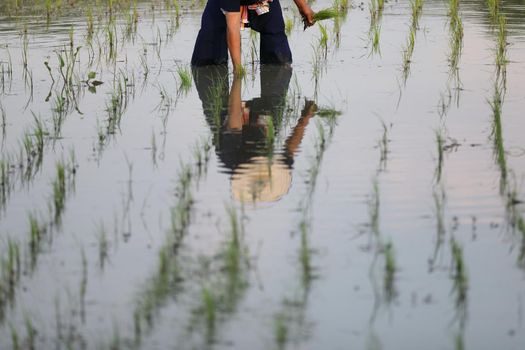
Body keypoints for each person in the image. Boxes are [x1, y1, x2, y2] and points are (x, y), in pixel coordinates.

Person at [192, 64, 317, 203]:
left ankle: (257, 108)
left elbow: (290, 147)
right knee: (269, 108)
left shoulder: (231, 159)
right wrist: (306, 117)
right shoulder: (230, 152)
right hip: (227, 119)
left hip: (233, 122)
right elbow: (290, 149)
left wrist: (305, 117)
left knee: (270, 109)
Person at [191, 0, 315, 70]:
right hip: (221, 5)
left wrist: (303, 7)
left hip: (263, 3)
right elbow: (232, 29)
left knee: (279, 62)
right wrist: (238, 72)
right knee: (206, 60)